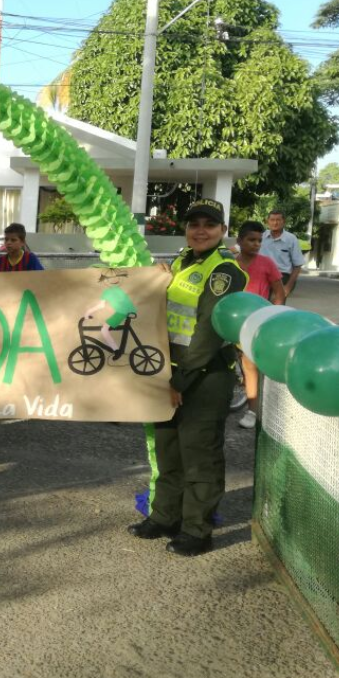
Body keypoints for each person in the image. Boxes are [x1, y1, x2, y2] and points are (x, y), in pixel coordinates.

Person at [128, 198, 247, 557]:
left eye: (209, 225)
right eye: (194, 224)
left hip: (204, 377)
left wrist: (178, 381)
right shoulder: (181, 262)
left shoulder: (224, 271)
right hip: (170, 373)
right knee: (168, 452)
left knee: (199, 456)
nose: (200, 231)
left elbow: (208, 332)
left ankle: (197, 531)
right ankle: (166, 516)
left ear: (223, 230)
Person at [232, 221, 286, 430]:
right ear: (239, 241)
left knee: (250, 366)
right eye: (251, 240)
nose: (256, 244)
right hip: (230, 322)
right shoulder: (230, 263)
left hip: (255, 324)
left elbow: (279, 293)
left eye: (259, 240)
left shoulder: (267, 263)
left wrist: (273, 317)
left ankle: (252, 411)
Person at [259, 210, 304, 303]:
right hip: (262, 276)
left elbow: (297, 265)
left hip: (282, 277)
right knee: (260, 305)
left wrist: (288, 287)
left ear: (284, 222)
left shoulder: (291, 239)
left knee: (276, 306)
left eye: (278, 220)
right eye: (272, 220)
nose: (275, 223)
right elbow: (240, 247)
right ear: (267, 221)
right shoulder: (260, 237)